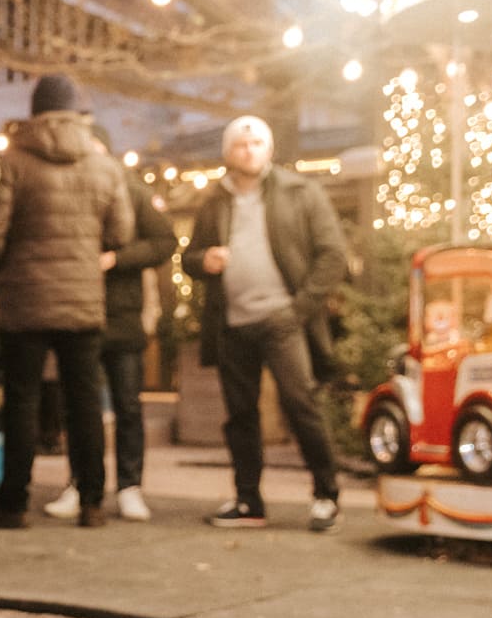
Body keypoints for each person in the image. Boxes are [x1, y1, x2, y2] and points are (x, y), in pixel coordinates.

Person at [0, 74, 133, 530]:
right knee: (84, 403)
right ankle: (92, 502)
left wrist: (3, 266)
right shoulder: (104, 166)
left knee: (22, 400)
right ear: (78, 113)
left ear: (34, 112)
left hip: (25, 300)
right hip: (82, 300)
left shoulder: (11, 162)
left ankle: (13, 503)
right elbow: (121, 233)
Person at [188, 114, 347, 532]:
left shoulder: (301, 192)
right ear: (228, 152)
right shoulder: (214, 201)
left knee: (301, 405)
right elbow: (190, 257)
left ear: (269, 149)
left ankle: (326, 496)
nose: (249, 150)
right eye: (240, 145)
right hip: (232, 323)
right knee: (240, 416)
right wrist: (203, 261)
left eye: (256, 143)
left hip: (283, 320)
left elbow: (333, 254)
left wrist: (298, 309)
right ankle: (248, 502)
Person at [43, 122, 178, 523]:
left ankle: (129, 486)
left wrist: (116, 259)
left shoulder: (132, 190)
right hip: (76, 311)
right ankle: (80, 483)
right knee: (78, 406)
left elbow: (164, 241)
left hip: (121, 316)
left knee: (127, 405)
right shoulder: (64, 188)